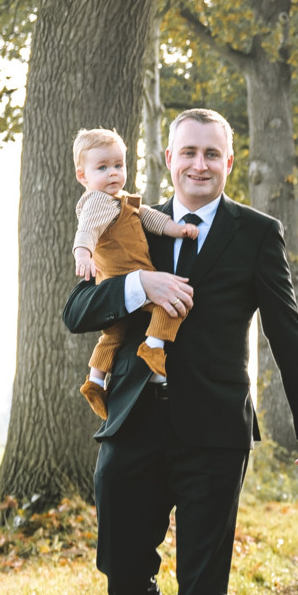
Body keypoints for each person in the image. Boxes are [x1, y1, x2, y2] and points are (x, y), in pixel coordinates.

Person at [63, 108, 298, 595]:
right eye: (189, 152)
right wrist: (137, 285)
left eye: (213, 153)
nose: (200, 164)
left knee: (202, 582)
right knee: (123, 569)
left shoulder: (256, 234)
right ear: (168, 158)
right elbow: (77, 310)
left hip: (215, 433)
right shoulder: (127, 220)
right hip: (131, 421)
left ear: (229, 162)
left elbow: (288, 333)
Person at [69, 127, 198, 418]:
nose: (113, 173)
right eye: (102, 167)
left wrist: (177, 229)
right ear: (83, 176)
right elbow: (86, 230)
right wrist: (83, 255)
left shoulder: (121, 199)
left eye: (118, 165)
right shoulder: (98, 201)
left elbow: (150, 217)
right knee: (171, 303)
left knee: (112, 336)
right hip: (123, 281)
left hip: (116, 285)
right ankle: (153, 348)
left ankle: (95, 380)